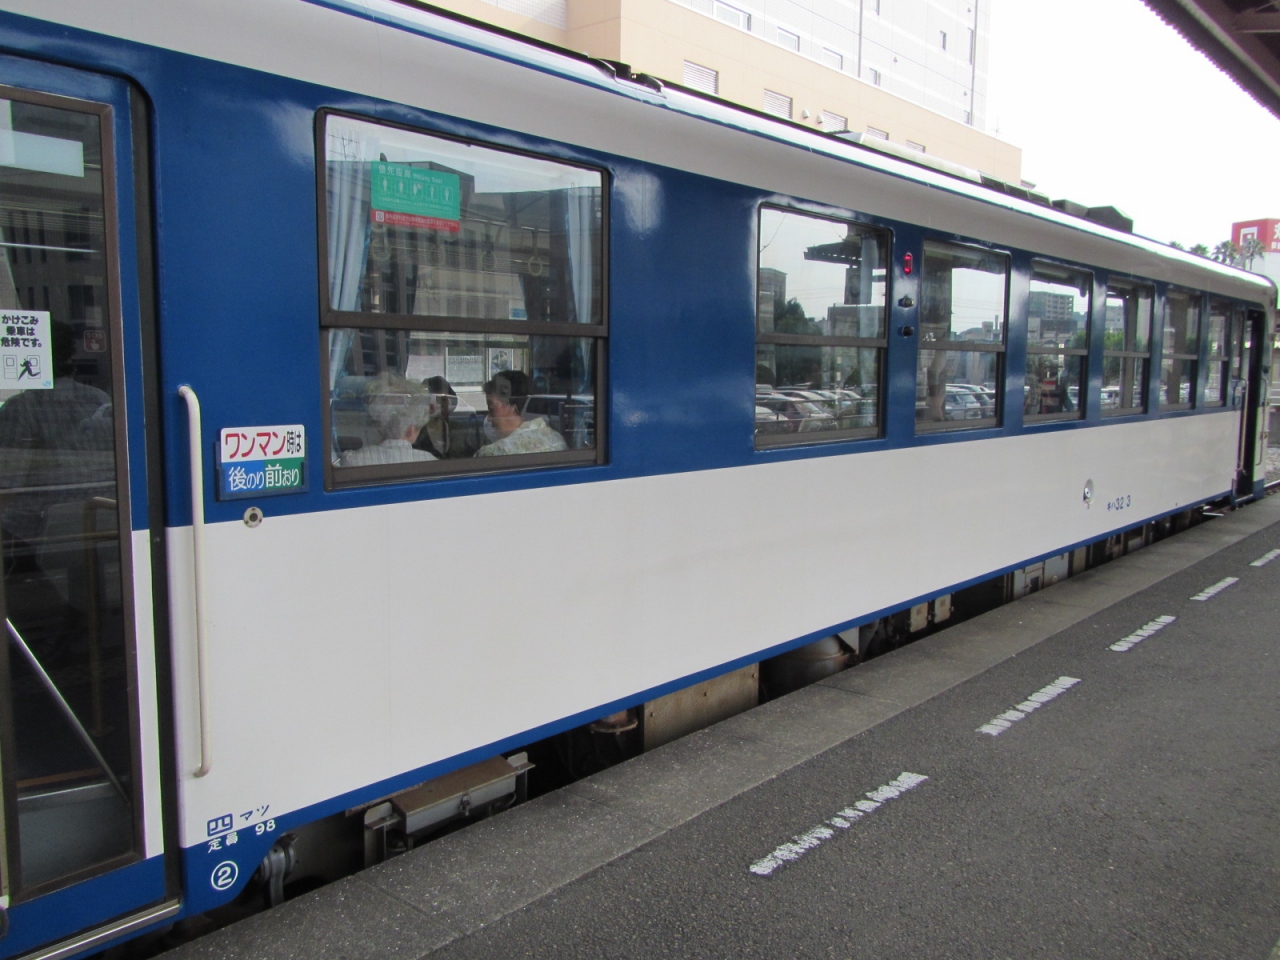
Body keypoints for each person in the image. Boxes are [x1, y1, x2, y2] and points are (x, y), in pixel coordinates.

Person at [339, 372, 438, 467]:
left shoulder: (352, 460)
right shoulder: (432, 463)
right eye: (418, 428)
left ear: (378, 427)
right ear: (410, 431)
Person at [474, 369, 568, 457]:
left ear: (511, 405)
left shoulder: (494, 453)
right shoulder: (557, 439)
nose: (489, 419)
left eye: (491, 409)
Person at [413, 375, 481, 459]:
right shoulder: (414, 431)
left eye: (445, 400)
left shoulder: (458, 429)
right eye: (437, 400)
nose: (443, 405)